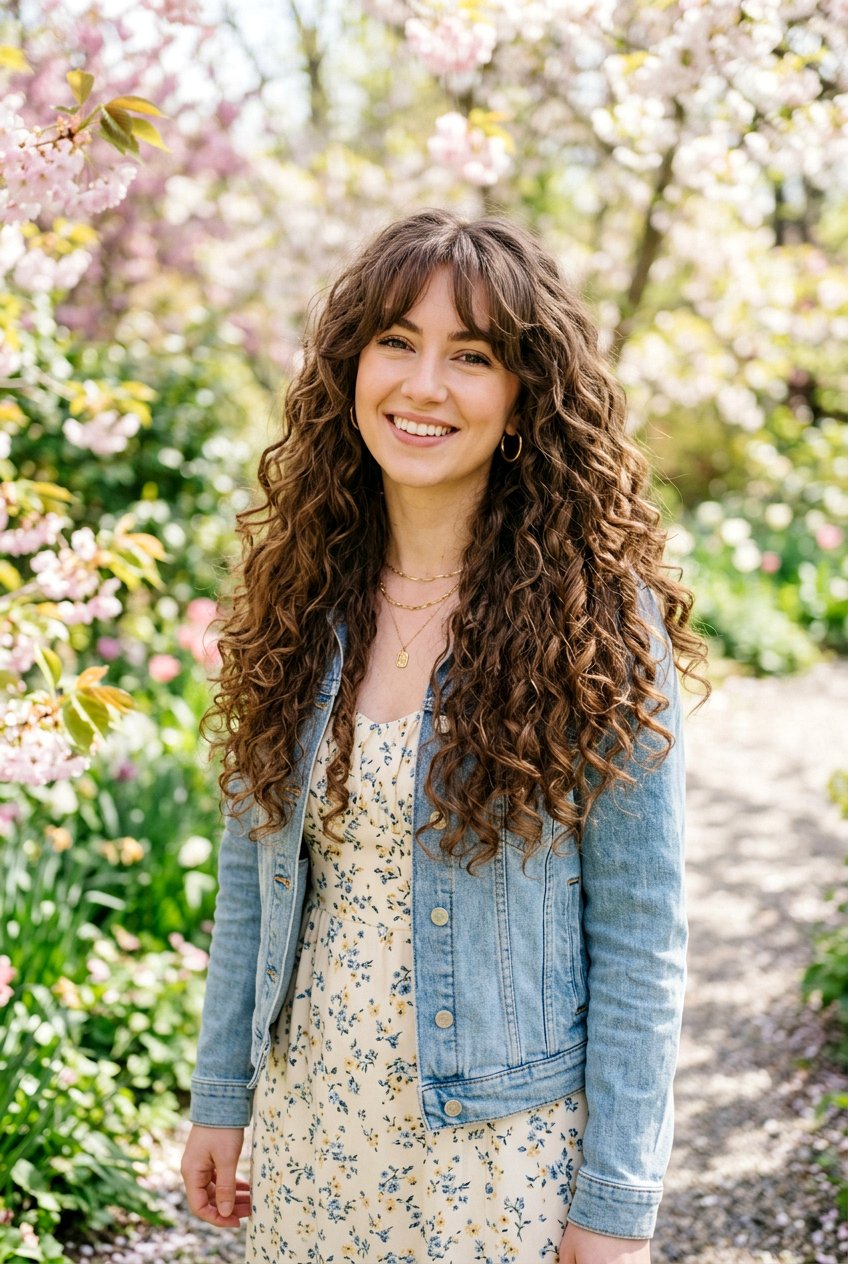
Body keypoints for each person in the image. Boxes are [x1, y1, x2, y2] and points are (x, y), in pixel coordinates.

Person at [180, 208, 707, 1264]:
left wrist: (613, 1204)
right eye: (396, 342)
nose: (423, 385)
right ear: (351, 369)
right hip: (312, 1134)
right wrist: (220, 1094)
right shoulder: (300, 601)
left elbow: (641, 936)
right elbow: (252, 873)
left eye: (470, 356)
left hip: (497, 1161)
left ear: (521, 399)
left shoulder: (598, 628)